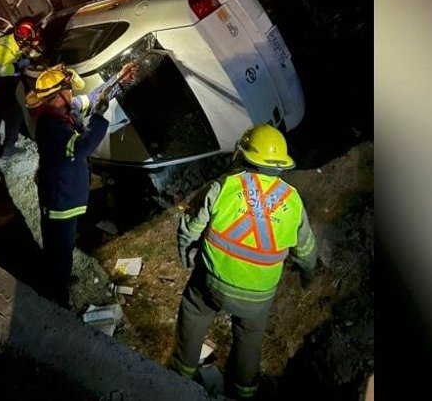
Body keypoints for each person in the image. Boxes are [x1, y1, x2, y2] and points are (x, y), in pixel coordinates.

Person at [168, 123, 317, 399]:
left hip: (213, 283)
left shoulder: (222, 187)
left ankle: (179, 376)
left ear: (244, 154)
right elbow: (306, 250)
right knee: (250, 339)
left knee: (194, 310)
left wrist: (187, 256)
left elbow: (190, 228)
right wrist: (308, 275)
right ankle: (243, 392)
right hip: (259, 296)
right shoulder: (293, 201)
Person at [26, 62, 137, 309]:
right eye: (69, 89)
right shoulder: (52, 129)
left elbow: (94, 97)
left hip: (66, 196)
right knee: (60, 251)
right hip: (60, 202)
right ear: (58, 96)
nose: (73, 94)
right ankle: (57, 300)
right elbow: (84, 146)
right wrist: (98, 117)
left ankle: (58, 280)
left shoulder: (59, 111)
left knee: (62, 248)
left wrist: (118, 80)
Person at [0, 17, 40, 161]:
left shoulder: (15, 42)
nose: (29, 46)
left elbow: (19, 55)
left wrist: (29, 58)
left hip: (2, 88)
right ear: (22, 40)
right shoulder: (2, 47)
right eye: (28, 43)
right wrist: (21, 65)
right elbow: (0, 69)